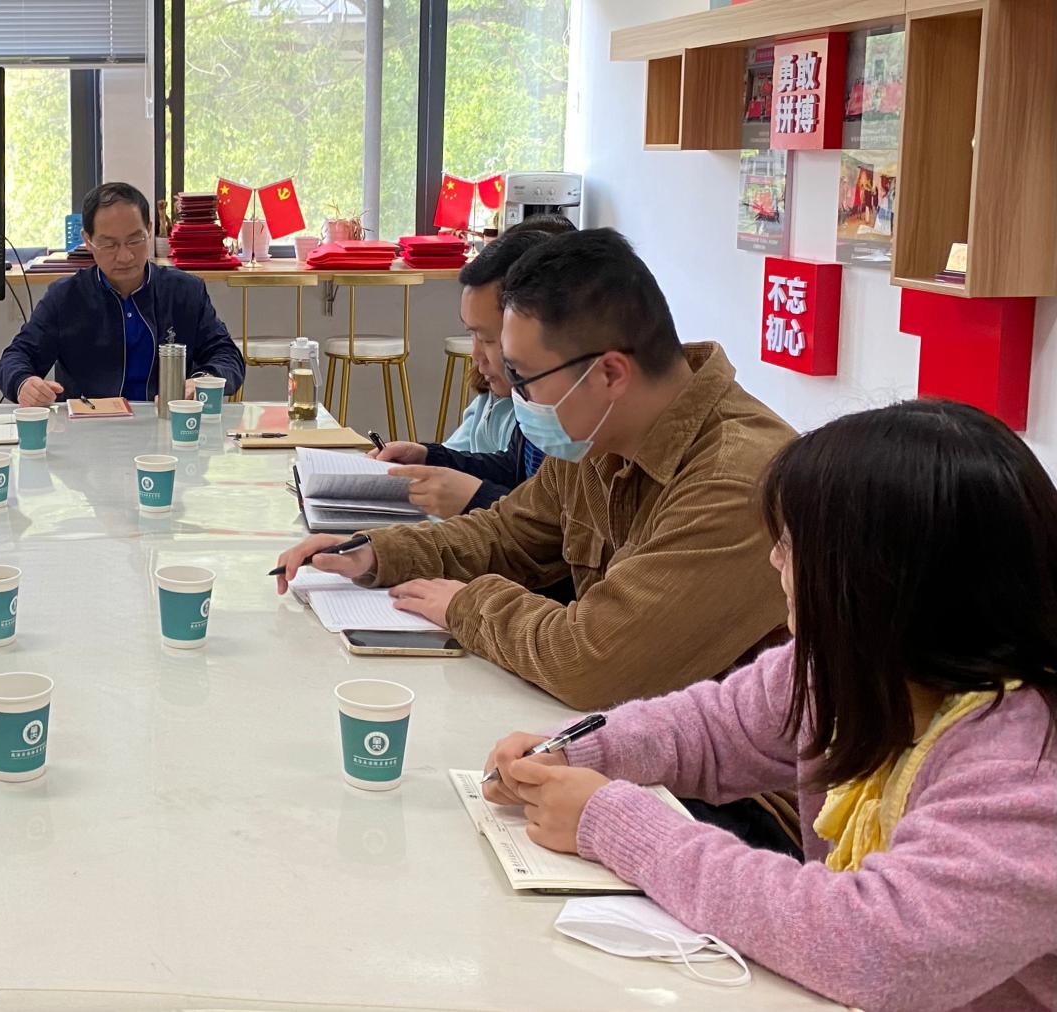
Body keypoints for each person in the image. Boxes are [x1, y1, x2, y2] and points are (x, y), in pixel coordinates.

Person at [481, 401, 1057, 1012]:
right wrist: (582, 748)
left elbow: (874, 947)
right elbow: (711, 728)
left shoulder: (1023, 768)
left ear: (878, 580)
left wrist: (614, 823)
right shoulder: (845, 667)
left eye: (791, 544)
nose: (776, 561)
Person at [276, 228, 797, 711]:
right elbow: (509, 533)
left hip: (722, 774)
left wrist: (467, 606)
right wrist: (374, 553)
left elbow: (592, 661)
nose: (515, 395)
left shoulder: (739, 482)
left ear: (609, 373)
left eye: (524, 376)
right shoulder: (600, 436)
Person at [368, 216, 575, 517]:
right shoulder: (534, 398)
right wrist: (430, 457)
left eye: (488, 339)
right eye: (471, 334)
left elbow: (555, 525)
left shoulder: (575, 413)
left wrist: (477, 497)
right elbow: (515, 471)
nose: (476, 354)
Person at [0, 181, 246, 406]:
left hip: (169, 426)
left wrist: (202, 381)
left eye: (135, 240)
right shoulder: (66, 298)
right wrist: (24, 384)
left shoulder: (185, 292)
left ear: (149, 230)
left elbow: (227, 355)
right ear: (88, 240)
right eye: (109, 244)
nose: (125, 256)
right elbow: (15, 357)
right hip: (87, 431)